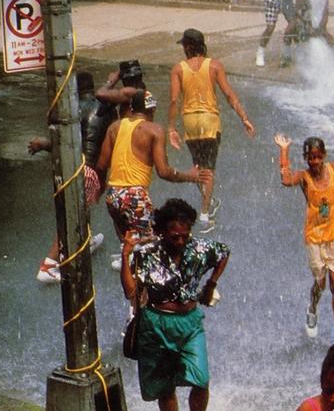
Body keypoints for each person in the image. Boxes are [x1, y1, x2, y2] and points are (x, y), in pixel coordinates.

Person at [120, 198, 229, 411]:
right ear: (162, 232)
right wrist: (126, 255)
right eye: (174, 237)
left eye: (184, 236)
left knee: (201, 379)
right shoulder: (146, 255)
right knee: (165, 387)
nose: (180, 241)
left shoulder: (199, 248)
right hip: (156, 325)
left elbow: (224, 253)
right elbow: (130, 291)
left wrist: (211, 284)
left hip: (190, 323)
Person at [97, 90, 211, 270]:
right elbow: (164, 172)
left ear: (132, 108)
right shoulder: (155, 130)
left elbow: (102, 165)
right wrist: (190, 176)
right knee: (162, 243)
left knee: (131, 243)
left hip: (113, 196)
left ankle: (131, 273)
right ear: (153, 110)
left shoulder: (114, 127)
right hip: (135, 197)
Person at [274, 133, 334, 342]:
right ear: (306, 158)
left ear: (323, 155)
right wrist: (284, 150)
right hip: (314, 237)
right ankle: (312, 307)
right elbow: (286, 180)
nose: (314, 162)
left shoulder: (333, 169)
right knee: (320, 283)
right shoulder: (304, 177)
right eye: (310, 158)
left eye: (317, 157)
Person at [168, 28, 256, 233]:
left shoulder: (178, 69)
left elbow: (173, 100)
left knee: (198, 166)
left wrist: (171, 127)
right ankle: (205, 215)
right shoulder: (215, 65)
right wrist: (244, 117)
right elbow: (228, 94)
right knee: (208, 169)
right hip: (210, 122)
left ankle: (209, 201)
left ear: (189, 46)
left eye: (183, 45)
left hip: (190, 121)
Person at [29, 71, 112, 283]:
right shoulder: (106, 109)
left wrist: (43, 144)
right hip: (89, 169)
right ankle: (48, 265)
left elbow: (64, 143)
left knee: (77, 210)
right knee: (72, 215)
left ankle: (86, 239)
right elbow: (105, 145)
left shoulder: (71, 110)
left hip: (70, 168)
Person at [253, 0, 301, 67]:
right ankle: (260, 52)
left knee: (293, 24)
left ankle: (289, 53)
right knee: (270, 28)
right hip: (273, 0)